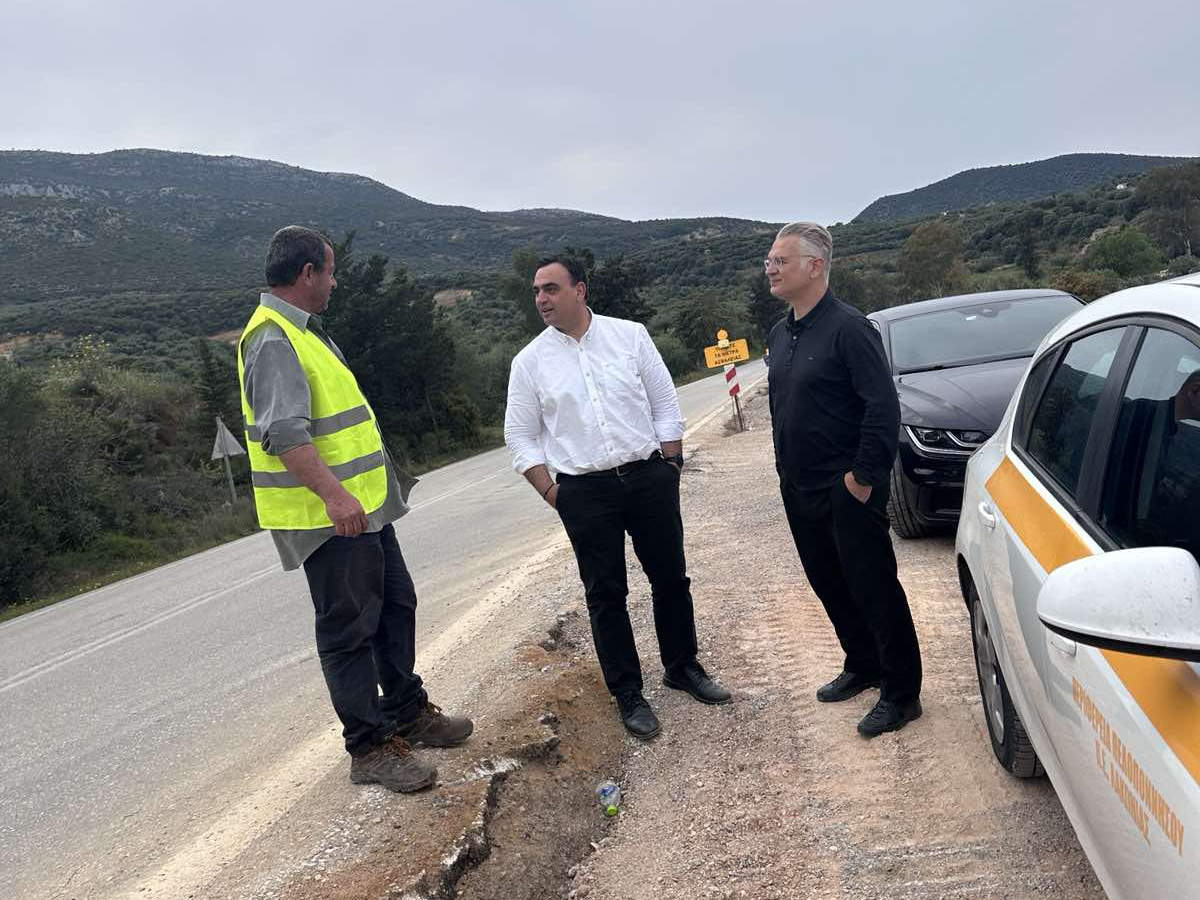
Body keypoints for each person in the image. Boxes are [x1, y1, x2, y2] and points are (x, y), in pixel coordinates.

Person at [237, 226, 472, 792]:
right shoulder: (272, 338)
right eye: (331, 271)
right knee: (348, 631)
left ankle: (408, 712)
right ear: (307, 273)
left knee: (395, 606)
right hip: (331, 517)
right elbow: (284, 434)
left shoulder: (303, 332)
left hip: (365, 510)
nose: (335, 282)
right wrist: (334, 496)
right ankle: (368, 749)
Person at [503, 254, 731, 739]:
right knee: (605, 595)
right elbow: (519, 437)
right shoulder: (529, 363)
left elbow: (664, 400)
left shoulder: (630, 336)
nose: (541, 298)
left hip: (648, 476)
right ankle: (628, 692)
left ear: (579, 290)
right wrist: (553, 492)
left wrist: (672, 463)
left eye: (550, 288)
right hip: (583, 490)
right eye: (536, 291)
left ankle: (683, 667)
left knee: (671, 578)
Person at [763, 222, 923, 737]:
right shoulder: (780, 334)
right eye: (769, 260)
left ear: (815, 267)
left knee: (873, 587)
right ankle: (863, 664)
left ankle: (901, 693)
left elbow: (883, 407)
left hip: (845, 489)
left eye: (781, 260)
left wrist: (861, 479)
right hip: (798, 487)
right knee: (828, 582)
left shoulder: (850, 328)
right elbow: (782, 407)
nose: (771, 268)